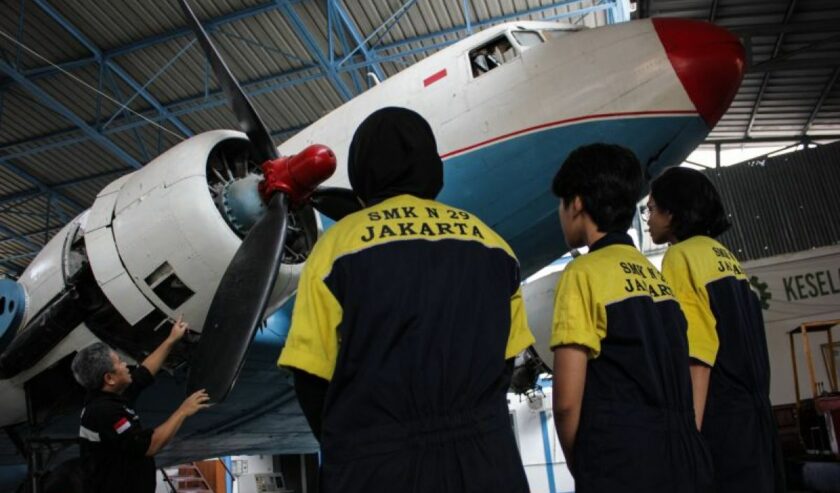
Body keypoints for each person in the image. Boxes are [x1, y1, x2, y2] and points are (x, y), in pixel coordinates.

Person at [278, 107, 535, 493]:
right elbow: (506, 360)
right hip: (487, 462)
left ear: (361, 171)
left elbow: (311, 374)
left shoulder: (336, 248)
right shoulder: (492, 243)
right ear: (432, 167)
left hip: (377, 468)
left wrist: (354, 447)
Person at [550, 144, 713, 493]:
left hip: (621, 462)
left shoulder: (583, 273)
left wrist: (583, 462)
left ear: (576, 203)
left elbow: (565, 402)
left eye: (561, 205)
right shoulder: (656, 278)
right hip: (686, 460)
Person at [646, 167, 784, 492]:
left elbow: (698, 352)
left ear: (673, 212)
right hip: (758, 419)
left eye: (652, 208)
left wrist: (689, 435)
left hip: (721, 422)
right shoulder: (725, 258)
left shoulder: (679, 257)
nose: (648, 218)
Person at [71, 317, 210, 493]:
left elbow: (144, 374)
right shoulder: (103, 411)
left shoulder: (109, 394)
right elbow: (150, 446)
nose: (126, 365)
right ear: (109, 378)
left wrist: (171, 340)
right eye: (119, 362)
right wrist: (183, 411)